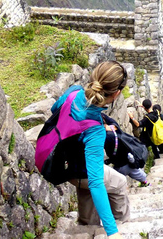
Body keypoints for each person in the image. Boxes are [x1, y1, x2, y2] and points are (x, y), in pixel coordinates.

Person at [50, 61, 128, 239]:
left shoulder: (73, 92)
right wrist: (112, 232)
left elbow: (54, 109)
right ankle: (122, 222)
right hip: (83, 173)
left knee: (87, 184)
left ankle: (87, 224)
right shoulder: (94, 129)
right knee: (121, 182)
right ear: (116, 94)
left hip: (65, 167)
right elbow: (95, 181)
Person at [102, 114, 150, 187]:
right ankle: (146, 183)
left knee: (115, 182)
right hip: (129, 161)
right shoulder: (115, 127)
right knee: (138, 174)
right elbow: (110, 120)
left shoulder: (106, 137)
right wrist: (102, 115)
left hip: (120, 165)